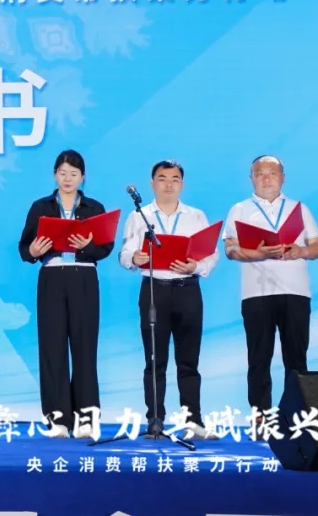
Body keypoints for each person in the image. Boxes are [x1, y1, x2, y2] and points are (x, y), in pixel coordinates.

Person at [117, 160, 218, 439]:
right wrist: (134, 258)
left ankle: (193, 421)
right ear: (152, 184)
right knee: (155, 361)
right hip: (154, 291)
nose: (169, 184)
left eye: (175, 179)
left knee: (189, 361)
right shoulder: (139, 216)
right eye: (162, 178)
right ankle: (155, 420)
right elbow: (124, 254)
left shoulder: (196, 216)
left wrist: (196, 266)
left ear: (182, 184)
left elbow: (211, 254)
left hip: (188, 290)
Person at [224, 156, 318, 433]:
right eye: (259, 173)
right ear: (251, 178)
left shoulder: (299, 209)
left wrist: (301, 250)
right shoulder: (240, 209)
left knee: (296, 357)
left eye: (272, 172)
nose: (266, 177)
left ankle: (297, 419)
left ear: (283, 177)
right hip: (256, 293)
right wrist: (257, 253)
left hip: (295, 291)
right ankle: (260, 419)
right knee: (259, 357)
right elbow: (230, 249)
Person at [18, 149, 114, 438]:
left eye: (74, 173)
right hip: (52, 276)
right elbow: (24, 248)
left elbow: (105, 248)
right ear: (54, 175)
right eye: (62, 173)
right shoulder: (41, 207)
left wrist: (86, 246)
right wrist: (34, 250)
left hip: (83, 277)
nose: (68, 178)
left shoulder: (94, 208)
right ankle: (57, 419)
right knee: (52, 348)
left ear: (83, 177)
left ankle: (86, 418)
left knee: (85, 348)